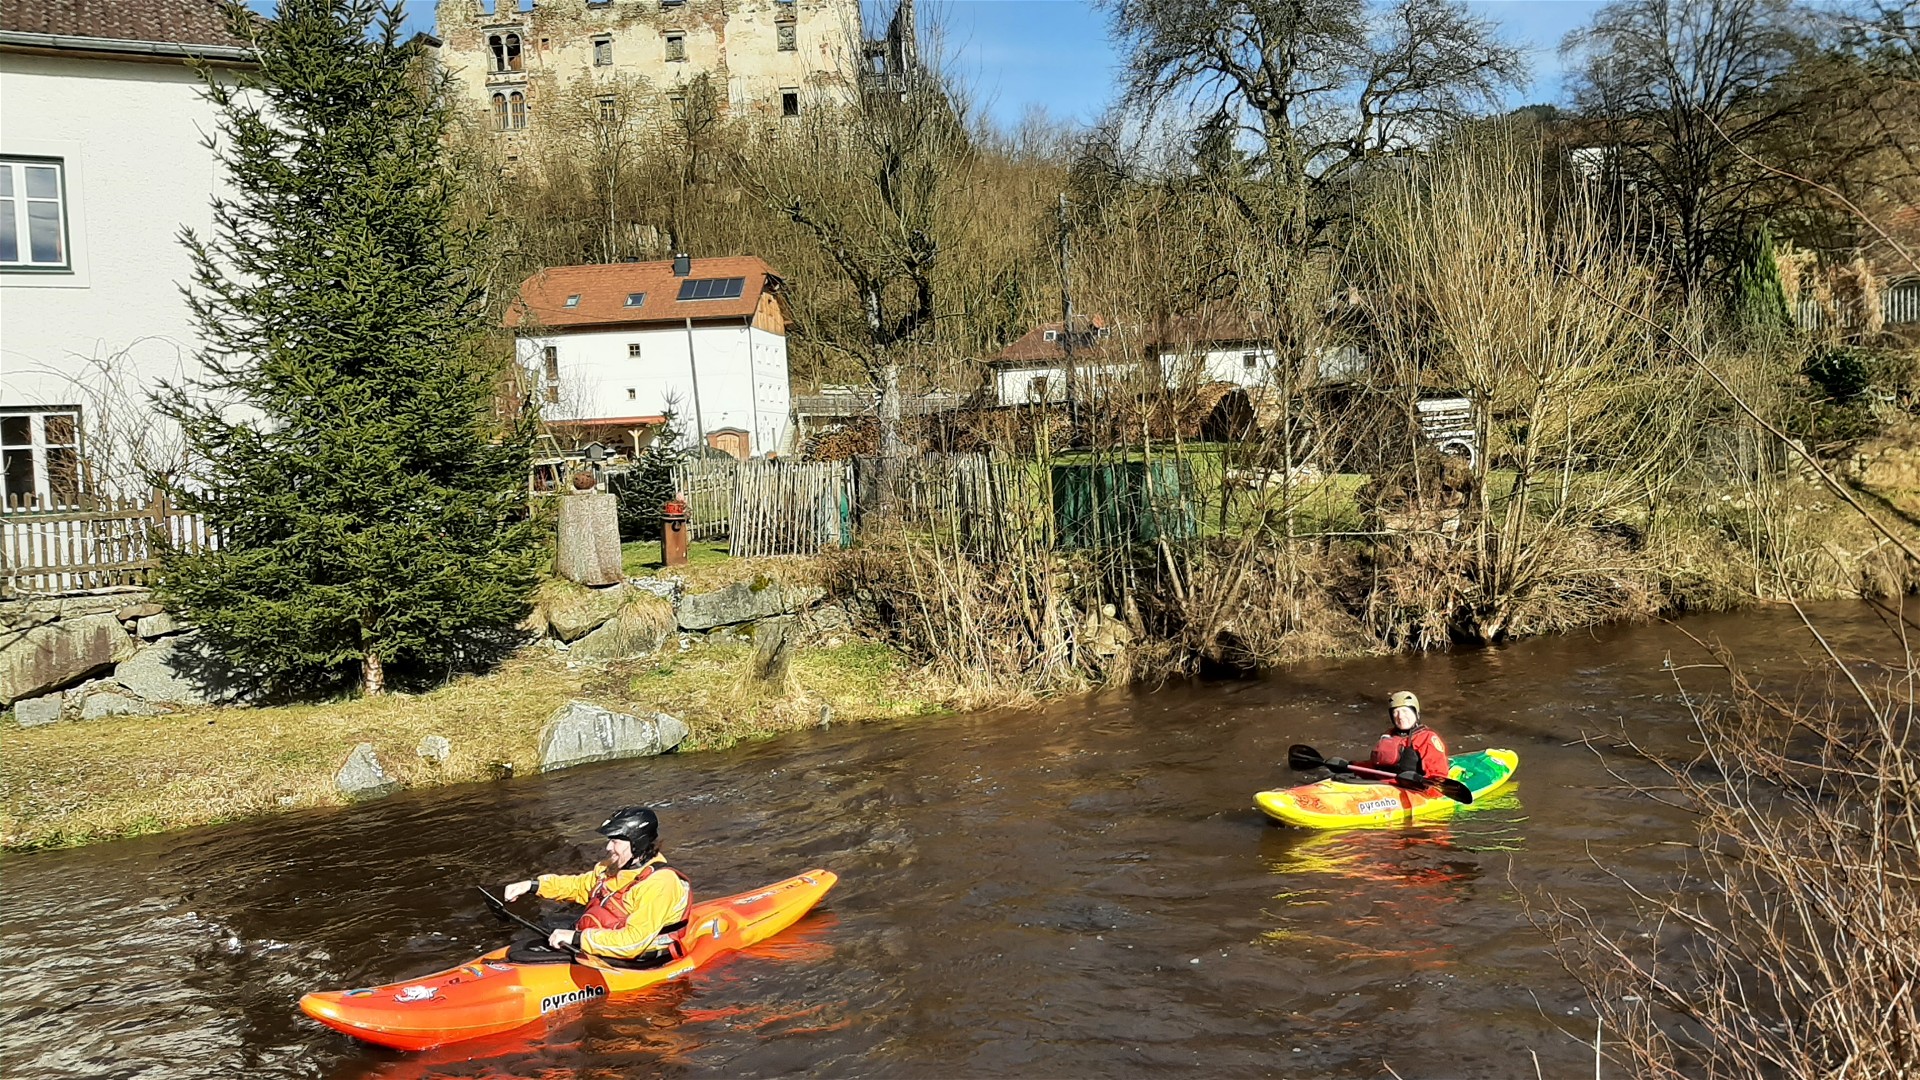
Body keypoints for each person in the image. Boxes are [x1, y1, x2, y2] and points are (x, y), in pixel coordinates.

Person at [502, 805, 691, 966]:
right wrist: (533, 885)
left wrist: (577, 938)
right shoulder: (613, 867)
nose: (608, 847)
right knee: (540, 932)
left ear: (637, 844)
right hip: (604, 941)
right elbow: (580, 887)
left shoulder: (660, 884)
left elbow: (633, 943)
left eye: (615, 841)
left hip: (638, 960)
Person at [1326, 691, 1451, 789]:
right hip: (1384, 785)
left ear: (1416, 714)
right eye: (1396, 712)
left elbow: (1438, 775)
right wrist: (1350, 766)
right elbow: (1377, 767)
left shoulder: (1427, 738)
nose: (1400, 717)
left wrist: (1419, 781)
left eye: (1405, 711)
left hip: (1413, 790)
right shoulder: (1389, 735)